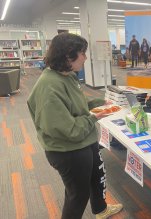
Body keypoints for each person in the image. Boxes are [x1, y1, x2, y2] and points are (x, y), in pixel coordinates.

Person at [27, 33, 123, 219]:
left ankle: (101, 210)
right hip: (68, 150)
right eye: (82, 53)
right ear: (68, 56)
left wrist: (99, 103)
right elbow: (69, 130)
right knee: (77, 195)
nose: (86, 58)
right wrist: (95, 117)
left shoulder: (67, 75)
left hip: (85, 141)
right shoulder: (49, 87)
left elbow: (77, 105)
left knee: (96, 176)